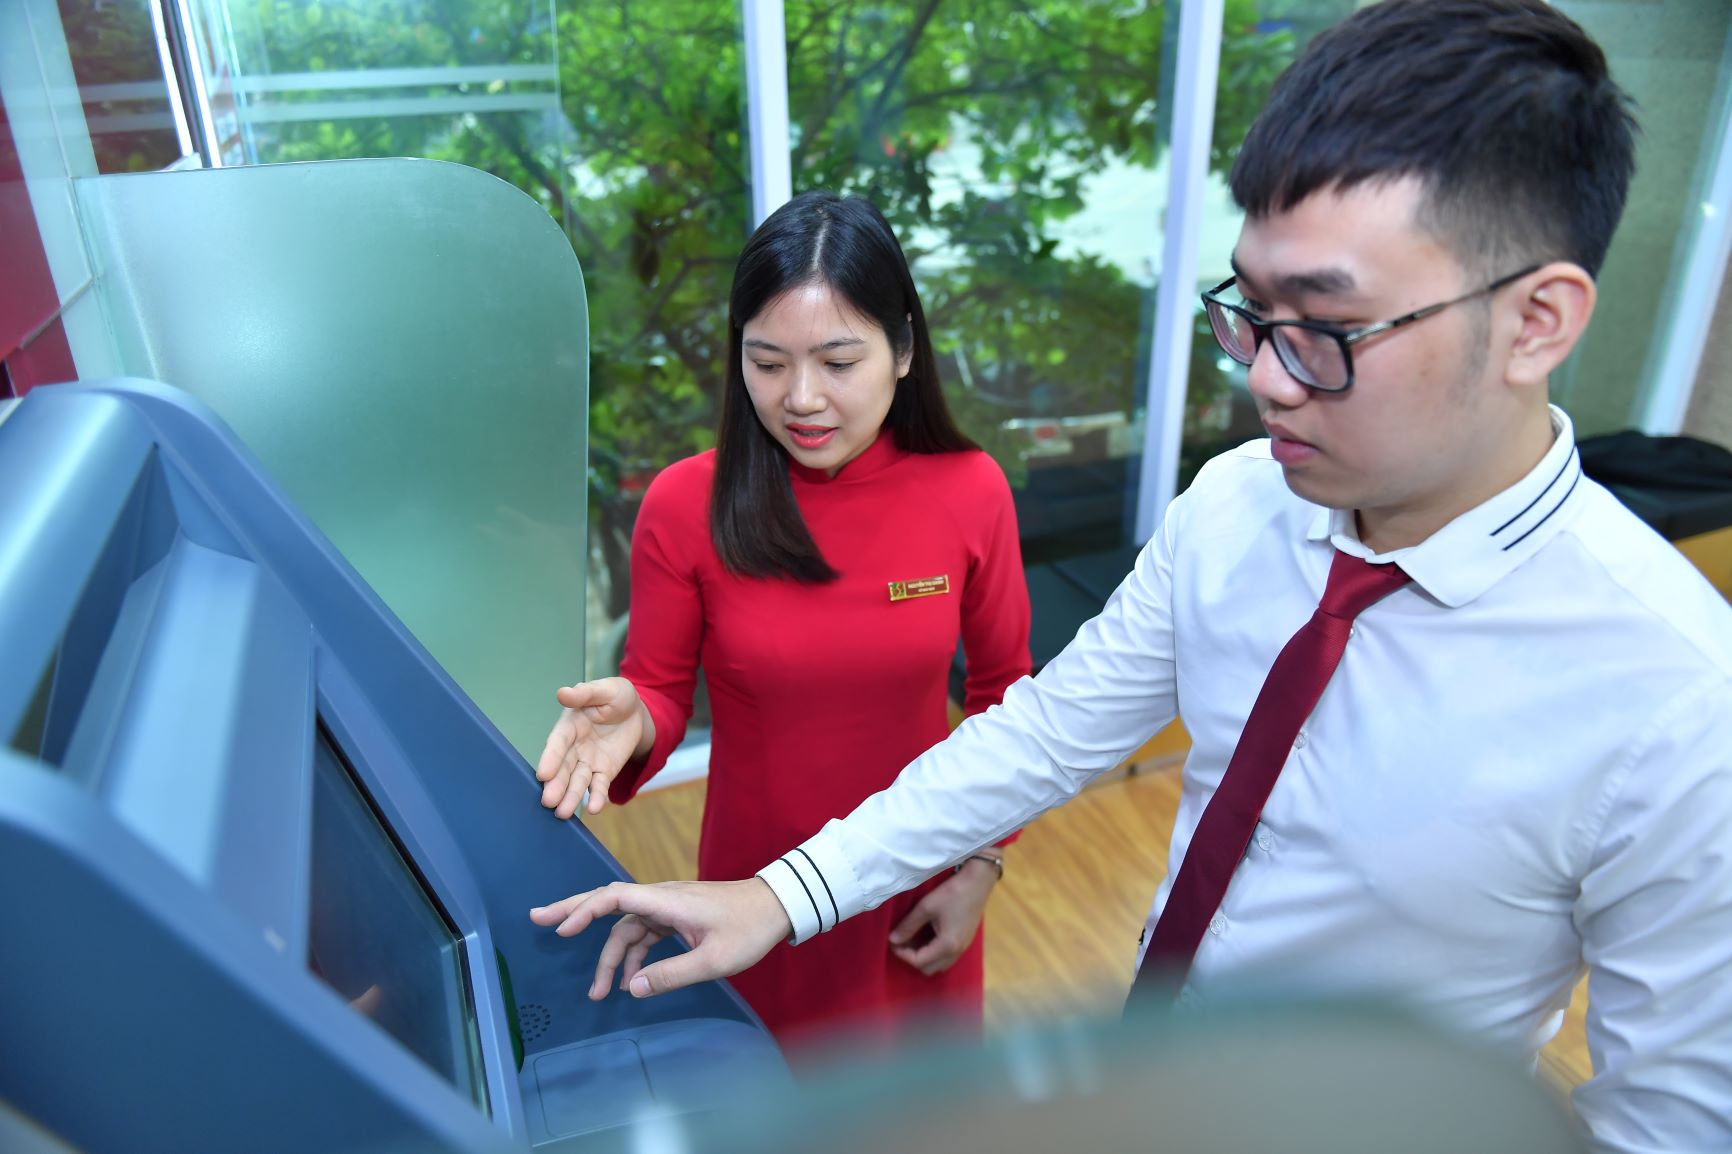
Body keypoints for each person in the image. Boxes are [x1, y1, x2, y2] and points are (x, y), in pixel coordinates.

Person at [531, 2, 1732, 1148]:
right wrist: (779, 895)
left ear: (1535, 322)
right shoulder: (1236, 508)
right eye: (1249, 310)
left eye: (1326, 328)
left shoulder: (1677, 704)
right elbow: (1041, 729)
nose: (1265, 380)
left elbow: (1672, 1120)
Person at [531, 191, 1032, 1047]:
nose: (801, 398)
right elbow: (660, 688)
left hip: (919, 882)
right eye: (767, 363)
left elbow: (1003, 695)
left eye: (838, 362)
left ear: (904, 351)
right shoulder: (685, 504)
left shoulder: (970, 489)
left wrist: (982, 863)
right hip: (753, 892)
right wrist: (635, 719)